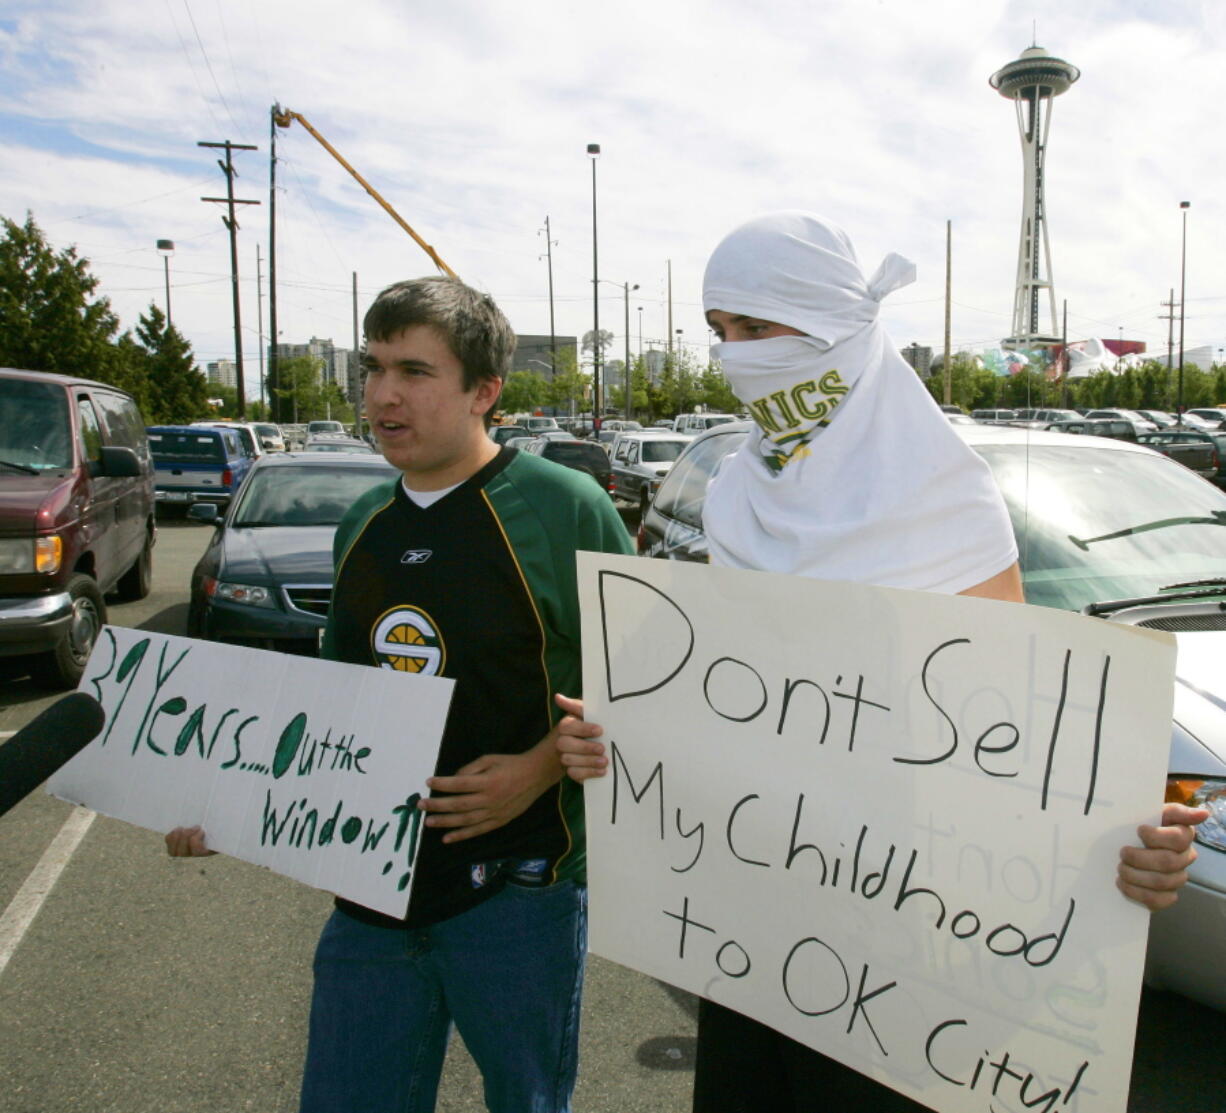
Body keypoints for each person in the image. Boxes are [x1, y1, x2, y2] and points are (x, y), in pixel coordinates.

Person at [556, 211, 1208, 1113]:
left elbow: (1017, 754)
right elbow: (725, 701)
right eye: (721, 334)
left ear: (835, 328)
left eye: (757, 328)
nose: (736, 356)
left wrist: (1126, 853)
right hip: (752, 940)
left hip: (908, 963)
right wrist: (616, 738)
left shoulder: (945, 502)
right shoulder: (740, 490)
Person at [168, 275, 633, 1113]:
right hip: (373, 889)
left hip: (522, 889)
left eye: (414, 371)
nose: (382, 394)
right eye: (373, 368)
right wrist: (228, 794)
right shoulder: (363, 525)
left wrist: (536, 770)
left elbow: (637, 686)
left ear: (484, 390)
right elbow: (331, 705)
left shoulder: (565, 508)